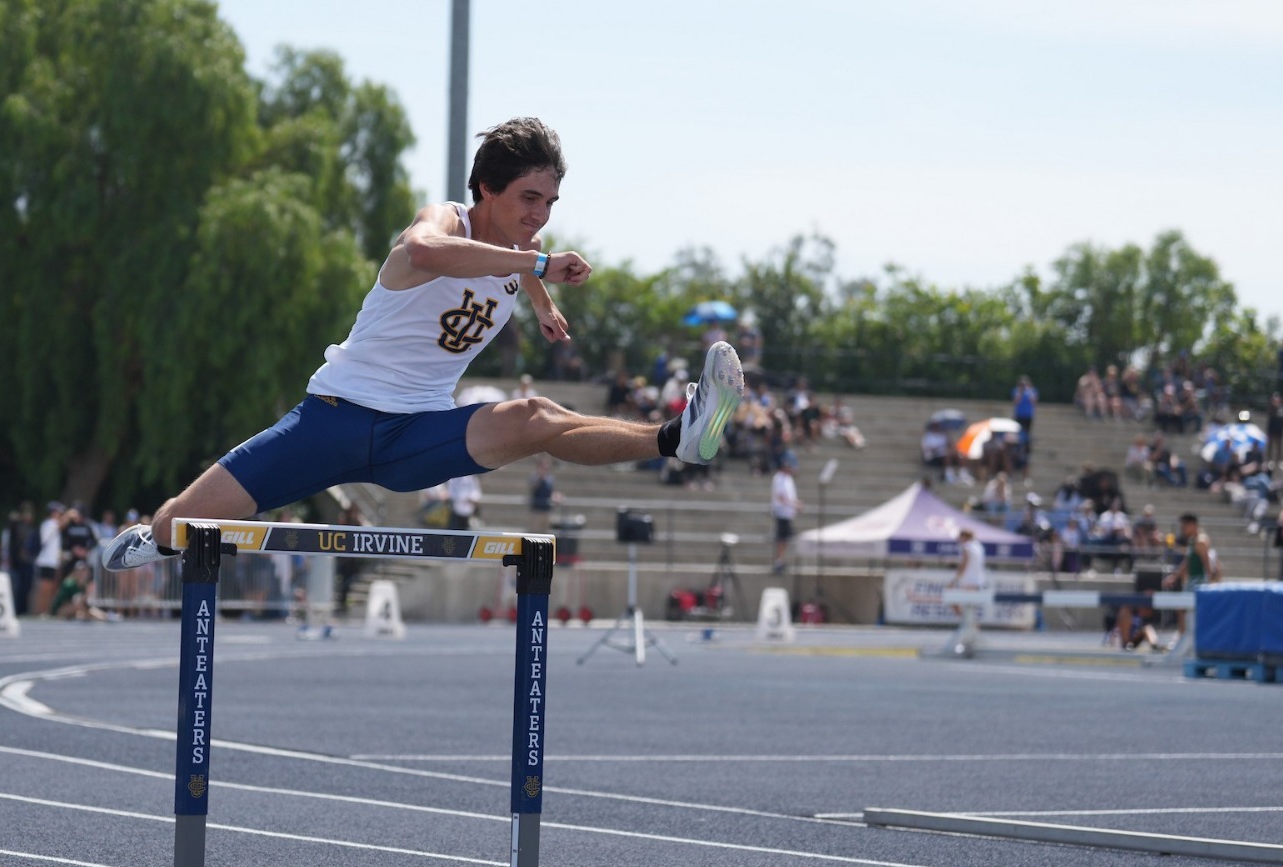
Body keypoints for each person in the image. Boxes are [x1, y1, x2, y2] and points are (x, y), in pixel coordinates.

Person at [101, 118, 744, 570]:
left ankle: (677, 438)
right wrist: (544, 270)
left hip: (419, 436)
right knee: (177, 526)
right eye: (528, 198)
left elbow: (517, 263)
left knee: (535, 417)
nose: (540, 217)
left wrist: (545, 303)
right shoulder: (443, 223)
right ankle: (152, 539)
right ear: (486, 189)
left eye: (550, 202)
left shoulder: (521, 254)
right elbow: (426, 252)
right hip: (332, 421)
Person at [1164, 512, 1216, 591]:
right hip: (1192, 582)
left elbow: (1207, 565)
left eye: (1185, 525)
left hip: (1199, 584)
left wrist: (1210, 586)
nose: (1182, 528)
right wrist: (1174, 577)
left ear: (1192, 524)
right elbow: (1187, 562)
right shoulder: (1192, 541)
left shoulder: (1201, 542)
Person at [4, 502, 39, 619]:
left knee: (26, 587)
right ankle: (17, 610)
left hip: (28, 562)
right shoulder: (16, 526)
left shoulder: (31, 528)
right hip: (18, 563)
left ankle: (23, 609)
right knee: (17, 588)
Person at [770, 452, 801, 574]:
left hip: (788, 513)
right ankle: (779, 561)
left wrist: (796, 503)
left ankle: (781, 560)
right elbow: (781, 497)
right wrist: (794, 504)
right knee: (782, 538)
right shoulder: (779, 478)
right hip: (782, 512)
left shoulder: (788, 478)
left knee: (786, 538)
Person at [34, 502, 64, 615]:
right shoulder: (48, 524)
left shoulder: (54, 524)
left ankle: (45, 610)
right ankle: (39, 610)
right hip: (46, 561)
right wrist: (68, 516)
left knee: (50, 587)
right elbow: (62, 524)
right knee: (44, 587)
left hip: (52, 562)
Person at [525, 456, 559, 532]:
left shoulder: (550, 478)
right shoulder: (534, 476)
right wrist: (540, 477)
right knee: (534, 532)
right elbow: (532, 487)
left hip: (547, 509)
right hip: (536, 510)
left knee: (546, 533)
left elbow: (552, 491)